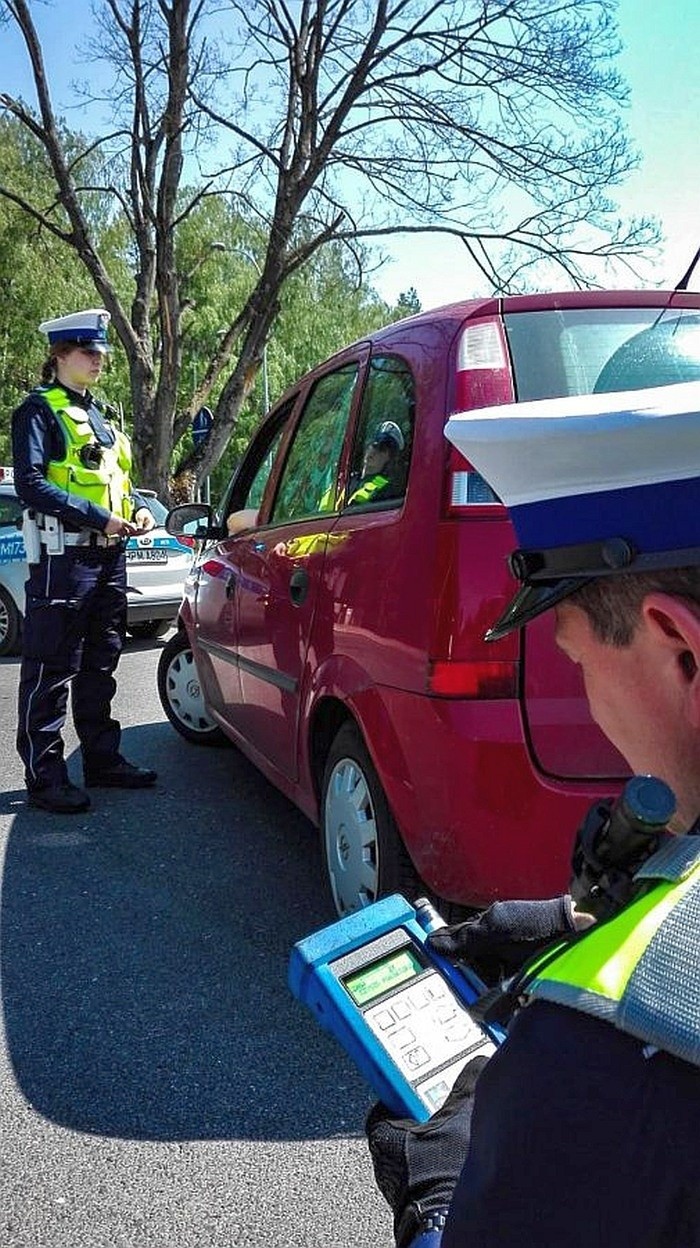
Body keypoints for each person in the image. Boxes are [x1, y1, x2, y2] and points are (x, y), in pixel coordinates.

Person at [366, 380, 700, 1247]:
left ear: (682, 652)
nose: (590, 707)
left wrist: (442, 1204)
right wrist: (581, 918)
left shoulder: (609, 1059)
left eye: (580, 664)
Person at [12, 308, 158, 814]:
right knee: (52, 668)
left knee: (102, 661)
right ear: (59, 356)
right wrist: (99, 517)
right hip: (64, 558)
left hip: (110, 556)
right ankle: (45, 775)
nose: (98, 360)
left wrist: (136, 508)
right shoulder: (38, 411)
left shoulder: (103, 414)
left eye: (100, 353)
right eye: (87, 352)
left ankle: (102, 758)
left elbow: (122, 480)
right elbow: (31, 484)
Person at [347, 420, 405, 506]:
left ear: (389, 459)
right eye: (374, 445)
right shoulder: (348, 478)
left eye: (382, 449)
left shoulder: (385, 490)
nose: (374, 451)